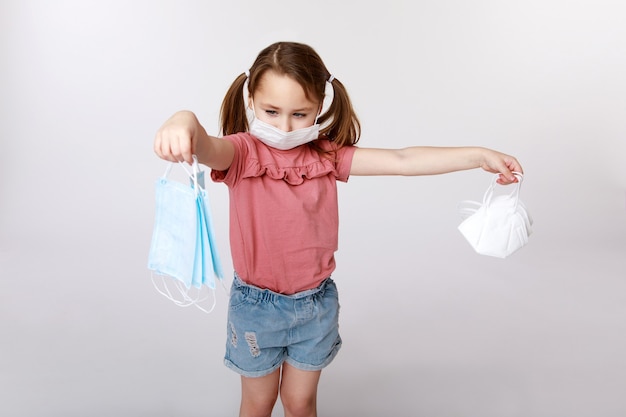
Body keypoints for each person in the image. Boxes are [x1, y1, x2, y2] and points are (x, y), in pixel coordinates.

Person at [154, 41, 523, 417]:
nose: (284, 126)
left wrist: (478, 156)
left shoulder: (326, 156)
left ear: (320, 106)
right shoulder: (243, 154)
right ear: (251, 100)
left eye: (300, 114)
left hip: (315, 305)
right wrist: (182, 119)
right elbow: (204, 145)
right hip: (256, 308)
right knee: (258, 403)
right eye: (271, 111)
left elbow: (402, 159)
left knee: (301, 403)